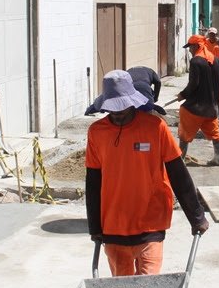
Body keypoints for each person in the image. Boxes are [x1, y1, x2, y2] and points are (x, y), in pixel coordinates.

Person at [85, 70, 209, 276]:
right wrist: (94, 227)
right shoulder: (97, 132)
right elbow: (93, 181)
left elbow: (178, 173)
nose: (117, 113)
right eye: (112, 108)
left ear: (133, 102)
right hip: (114, 225)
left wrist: (196, 216)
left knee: (149, 287)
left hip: (151, 222)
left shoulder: (155, 128)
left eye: (122, 107)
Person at [177, 34, 219, 165]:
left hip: (195, 108)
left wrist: (182, 94)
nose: (189, 50)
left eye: (190, 47)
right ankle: (217, 158)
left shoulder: (195, 61)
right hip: (212, 108)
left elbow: (193, 84)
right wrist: (212, 81)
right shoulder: (216, 60)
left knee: (184, 134)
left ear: (196, 46)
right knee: (215, 134)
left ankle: (180, 160)